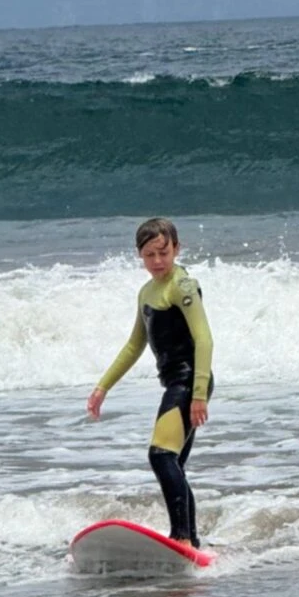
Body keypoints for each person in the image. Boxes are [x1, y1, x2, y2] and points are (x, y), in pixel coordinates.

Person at [87, 217, 214, 549]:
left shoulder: (182, 286)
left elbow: (204, 339)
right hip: (176, 382)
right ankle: (192, 542)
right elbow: (134, 345)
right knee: (174, 463)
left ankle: (182, 538)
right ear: (139, 255)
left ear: (176, 249)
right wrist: (103, 387)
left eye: (164, 252)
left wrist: (199, 394)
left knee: (161, 456)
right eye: (149, 255)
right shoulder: (147, 291)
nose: (158, 261)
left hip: (189, 381)